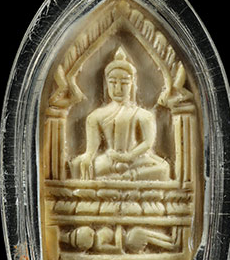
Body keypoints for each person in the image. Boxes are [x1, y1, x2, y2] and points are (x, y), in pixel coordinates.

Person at [72, 46, 170, 181]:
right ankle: (124, 178)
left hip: (136, 160)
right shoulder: (95, 116)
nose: (118, 88)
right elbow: (91, 149)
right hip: (109, 160)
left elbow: (148, 143)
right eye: (112, 82)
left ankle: (124, 177)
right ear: (106, 84)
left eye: (124, 83)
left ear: (132, 84)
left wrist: (128, 157)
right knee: (77, 165)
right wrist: (88, 157)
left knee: (163, 168)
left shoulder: (143, 115)